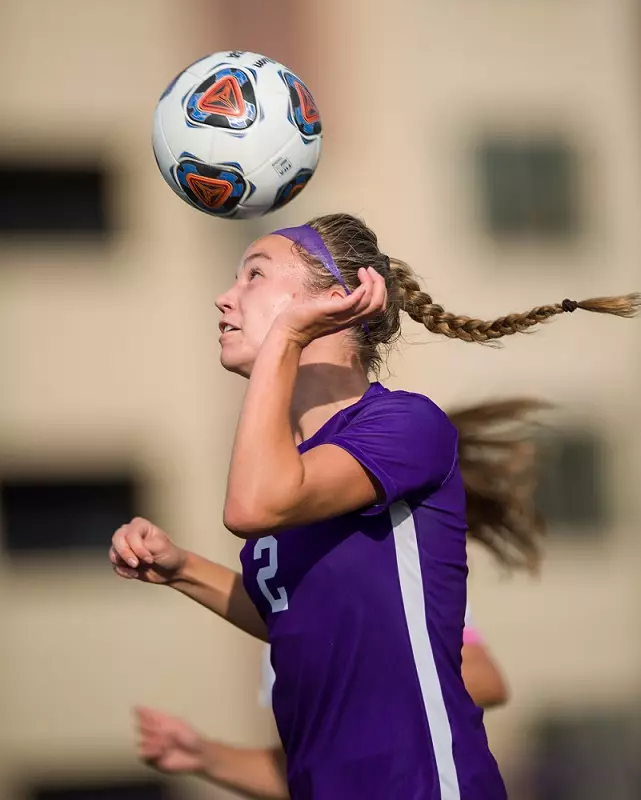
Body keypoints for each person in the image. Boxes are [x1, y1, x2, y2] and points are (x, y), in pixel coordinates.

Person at [110, 214, 638, 799]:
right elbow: (293, 620)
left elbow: (251, 506)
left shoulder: (404, 424)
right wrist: (182, 569)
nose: (224, 296)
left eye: (253, 274)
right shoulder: (292, 470)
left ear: (337, 301)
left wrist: (286, 337)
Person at [131, 399, 542, 799]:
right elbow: (303, 773)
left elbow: (485, 678)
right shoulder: (291, 594)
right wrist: (205, 756)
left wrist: (367, 672)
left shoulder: (381, 567)